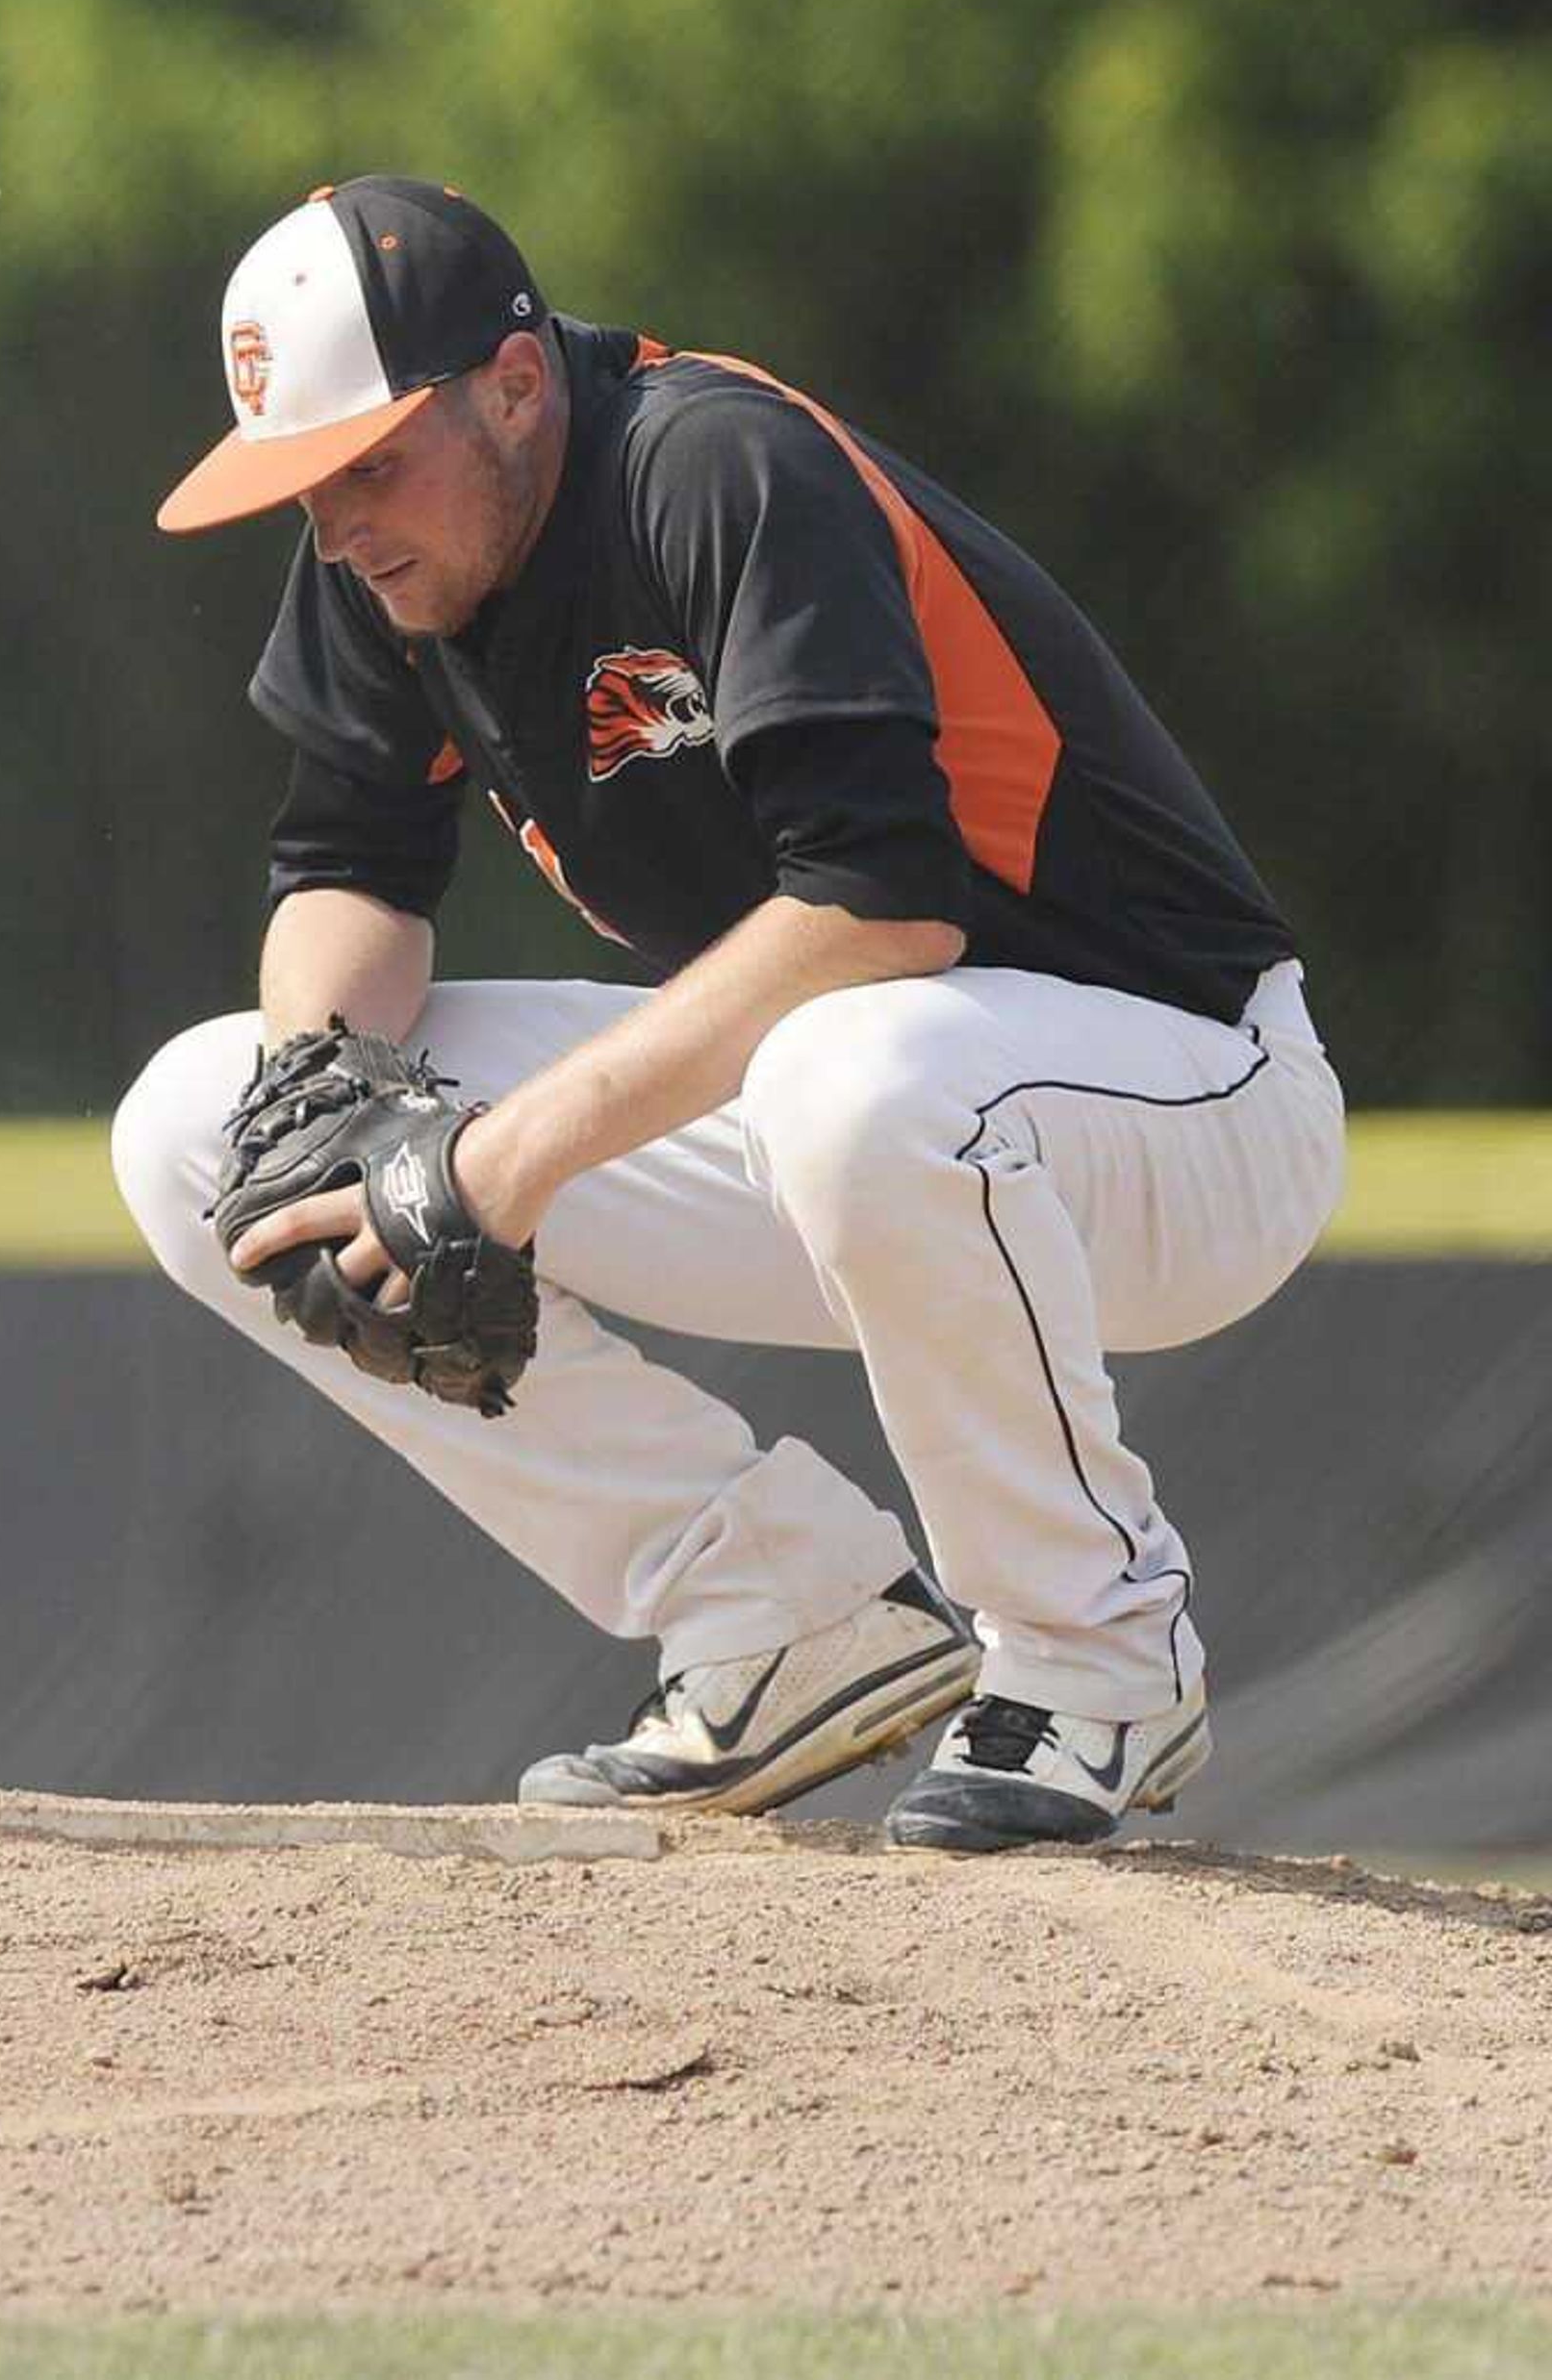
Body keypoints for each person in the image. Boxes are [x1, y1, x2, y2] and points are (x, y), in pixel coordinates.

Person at [109, 176, 1345, 1852]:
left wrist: (497, 1161)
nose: (339, 524)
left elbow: (882, 909)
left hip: (1186, 1096)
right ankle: (777, 1603)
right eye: (306, 487)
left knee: (853, 1066)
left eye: (371, 463)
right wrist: (324, 1080)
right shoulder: (389, 564)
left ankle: (1096, 1654)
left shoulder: (708, 466)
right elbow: (350, 866)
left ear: (518, 385)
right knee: (208, 1124)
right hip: (866, 1124)